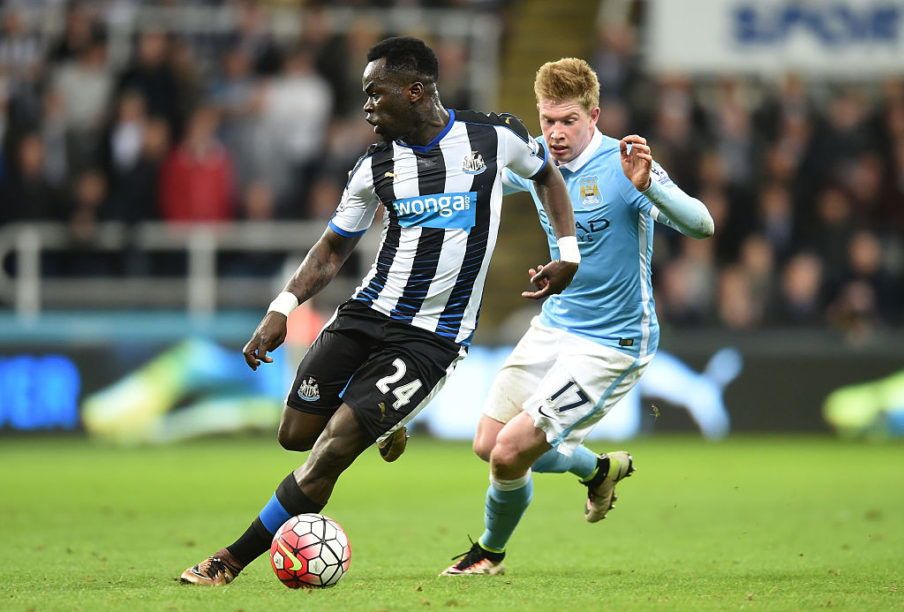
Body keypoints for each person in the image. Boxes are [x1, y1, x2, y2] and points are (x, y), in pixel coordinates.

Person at [179, 36, 579, 586]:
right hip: (366, 313)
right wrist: (282, 307)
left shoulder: (492, 137)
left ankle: (228, 560)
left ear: (415, 92)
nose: (366, 107)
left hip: (430, 340)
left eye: (375, 94)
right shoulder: (375, 166)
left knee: (331, 451)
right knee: (295, 435)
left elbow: (547, 177)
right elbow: (333, 248)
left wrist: (567, 252)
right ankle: (384, 422)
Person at [438, 57, 714, 576]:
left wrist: (649, 184)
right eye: (548, 121)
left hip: (611, 343)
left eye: (568, 121)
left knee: (508, 454)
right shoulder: (540, 160)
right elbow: (489, 181)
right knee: (487, 444)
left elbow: (704, 225)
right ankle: (598, 469)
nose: (556, 134)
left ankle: (488, 555)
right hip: (555, 325)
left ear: (595, 116)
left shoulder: (626, 165)